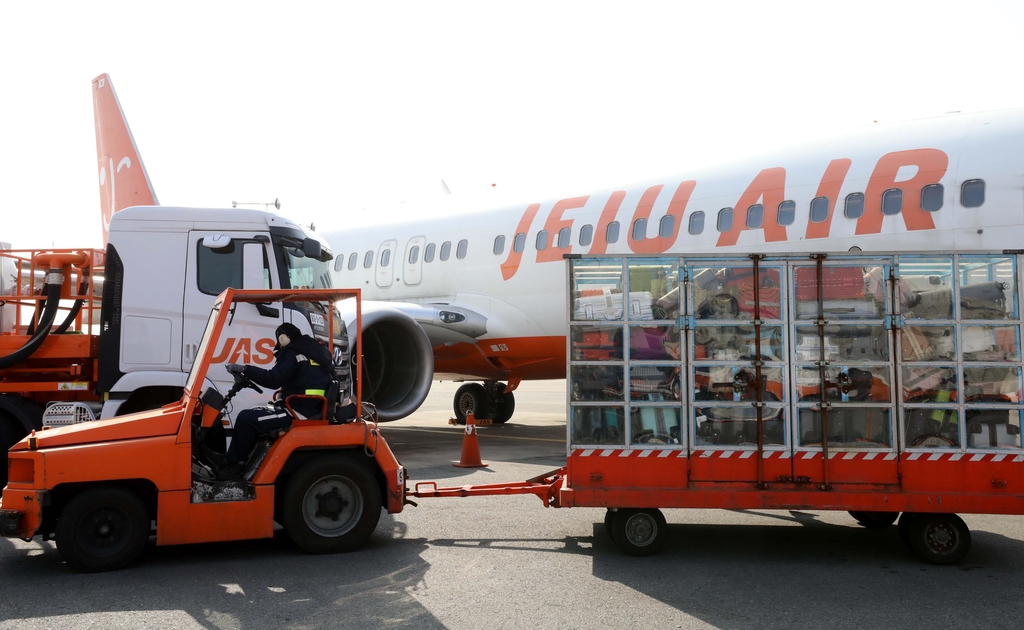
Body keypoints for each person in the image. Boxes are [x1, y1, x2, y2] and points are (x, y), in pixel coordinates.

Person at [218, 322, 333, 479]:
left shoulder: (293, 353)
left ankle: (235, 464)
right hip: (310, 408)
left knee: (246, 418)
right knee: (255, 415)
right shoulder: (317, 353)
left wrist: (246, 369)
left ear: (283, 337)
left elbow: (273, 379)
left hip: (298, 411)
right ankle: (241, 461)